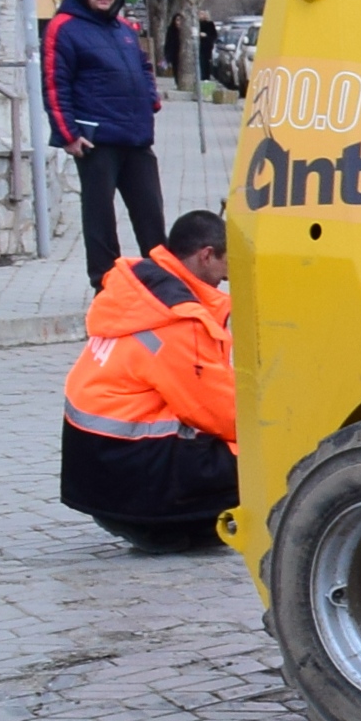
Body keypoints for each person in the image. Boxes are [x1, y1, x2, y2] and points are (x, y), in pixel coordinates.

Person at [60, 206, 236, 551]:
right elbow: (223, 414)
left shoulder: (140, 290)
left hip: (99, 470)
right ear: (206, 255)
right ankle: (182, 522)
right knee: (261, 454)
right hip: (135, 483)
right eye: (224, 270)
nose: (225, 281)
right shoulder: (178, 320)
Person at [43, 0, 163, 291]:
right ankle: (107, 286)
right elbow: (55, 83)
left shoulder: (124, 29)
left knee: (150, 214)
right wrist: (68, 134)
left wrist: (151, 100)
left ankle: (161, 282)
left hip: (136, 139)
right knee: (100, 219)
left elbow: (144, 66)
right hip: (96, 142)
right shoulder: (63, 27)